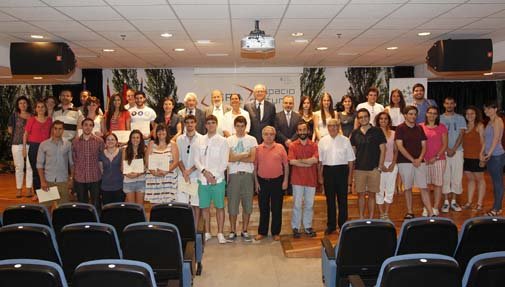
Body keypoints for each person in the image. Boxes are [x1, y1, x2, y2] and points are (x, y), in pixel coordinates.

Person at [193, 115, 229, 243]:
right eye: (208, 123)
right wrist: (204, 172)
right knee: (205, 208)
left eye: (213, 122)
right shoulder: (199, 140)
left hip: (217, 181)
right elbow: (196, 160)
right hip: (202, 179)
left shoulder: (223, 141)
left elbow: (224, 162)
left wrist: (214, 176)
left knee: (220, 207)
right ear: (205, 125)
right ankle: (207, 232)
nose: (211, 125)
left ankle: (220, 233)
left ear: (216, 124)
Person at [318, 119, 354, 234]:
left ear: (338, 127)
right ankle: (331, 226)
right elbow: (320, 161)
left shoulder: (345, 140)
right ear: (327, 127)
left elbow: (351, 161)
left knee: (342, 200)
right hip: (328, 171)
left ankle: (343, 225)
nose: (333, 128)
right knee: (330, 201)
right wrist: (320, 176)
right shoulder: (322, 141)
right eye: (330, 126)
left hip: (342, 171)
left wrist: (349, 179)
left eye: (335, 126)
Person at [254, 126, 289, 241]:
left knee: (276, 208)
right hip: (262, 182)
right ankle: (262, 232)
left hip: (277, 181)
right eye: (266, 134)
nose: (269, 136)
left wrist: (285, 181)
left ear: (275, 135)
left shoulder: (280, 147)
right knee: (263, 208)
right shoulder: (258, 148)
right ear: (262, 135)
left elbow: (286, 166)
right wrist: (256, 183)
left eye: (271, 134)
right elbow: (255, 167)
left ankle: (275, 232)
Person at [351, 108, 386, 219]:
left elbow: (383, 149)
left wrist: (380, 167)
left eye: (365, 116)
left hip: (374, 169)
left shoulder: (377, 131)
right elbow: (353, 152)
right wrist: (352, 169)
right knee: (360, 195)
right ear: (358, 119)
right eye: (360, 117)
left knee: (372, 195)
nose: (363, 119)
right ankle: (361, 217)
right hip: (359, 169)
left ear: (369, 117)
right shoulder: (355, 133)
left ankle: (370, 218)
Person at [226, 116, 257, 242]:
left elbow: (252, 159)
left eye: (242, 126)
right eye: (238, 126)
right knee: (233, 205)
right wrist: (245, 154)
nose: (240, 128)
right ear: (235, 126)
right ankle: (233, 231)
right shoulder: (229, 140)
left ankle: (245, 230)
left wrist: (236, 157)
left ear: (246, 126)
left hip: (247, 175)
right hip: (234, 175)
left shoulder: (252, 139)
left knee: (247, 204)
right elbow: (229, 158)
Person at [395, 106, 428, 219]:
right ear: (405, 115)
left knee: (423, 187)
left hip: (420, 161)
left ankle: (430, 211)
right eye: (410, 114)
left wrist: (419, 158)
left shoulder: (420, 128)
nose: (413, 116)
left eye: (415, 114)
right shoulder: (400, 128)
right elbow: (400, 146)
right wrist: (412, 159)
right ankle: (410, 211)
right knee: (408, 188)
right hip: (405, 162)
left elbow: (424, 145)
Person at [288, 121, 318, 238]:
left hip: (311, 179)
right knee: (297, 204)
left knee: (309, 204)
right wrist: (307, 162)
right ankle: (295, 227)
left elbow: (315, 160)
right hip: (297, 180)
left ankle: (307, 227)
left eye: (304, 130)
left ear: (308, 131)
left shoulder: (314, 145)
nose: (302, 132)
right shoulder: (293, 145)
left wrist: (299, 161)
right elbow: (291, 161)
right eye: (300, 130)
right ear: (297, 132)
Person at [37, 120, 74, 206]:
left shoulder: (68, 144)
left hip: (63, 181)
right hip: (48, 181)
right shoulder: (43, 144)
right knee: (46, 209)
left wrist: (71, 179)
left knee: (63, 209)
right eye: (55, 128)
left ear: (63, 130)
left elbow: (72, 163)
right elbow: (39, 165)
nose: (58, 131)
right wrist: (42, 181)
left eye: (60, 129)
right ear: (52, 129)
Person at [440, 96, 466, 213]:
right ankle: (446, 202)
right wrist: (447, 149)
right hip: (443, 151)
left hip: (458, 151)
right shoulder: (439, 119)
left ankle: (454, 201)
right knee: (445, 177)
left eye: (451, 103)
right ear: (444, 105)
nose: (449, 105)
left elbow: (461, 134)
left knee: (457, 176)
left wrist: (454, 149)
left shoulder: (460, 118)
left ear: (455, 104)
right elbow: (438, 136)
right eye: (447, 103)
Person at [420, 106, 448, 217]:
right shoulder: (420, 127)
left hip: (438, 160)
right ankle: (427, 207)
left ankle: (435, 207)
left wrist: (435, 157)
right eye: (430, 113)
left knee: (437, 185)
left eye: (434, 113)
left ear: (437, 115)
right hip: (424, 161)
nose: (432, 115)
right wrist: (422, 157)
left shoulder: (442, 127)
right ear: (426, 114)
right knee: (424, 185)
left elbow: (445, 144)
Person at [72, 118, 104, 212]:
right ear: (82, 126)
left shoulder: (99, 141)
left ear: (93, 127)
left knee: (96, 203)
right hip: (80, 178)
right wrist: (73, 177)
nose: (88, 127)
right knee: (82, 205)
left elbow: (102, 158)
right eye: (85, 124)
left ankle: (98, 224)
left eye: (90, 125)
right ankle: (84, 222)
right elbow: (74, 160)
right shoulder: (75, 142)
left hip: (95, 177)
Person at [176, 115, 202, 228]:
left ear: (195, 123)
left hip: (196, 175)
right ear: (184, 124)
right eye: (187, 122)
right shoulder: (179, 139)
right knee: (182, 205)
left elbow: (201, 159)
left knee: (196, 204)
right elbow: (178, 158)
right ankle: (184, 229)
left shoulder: (201, 139)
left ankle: (195, 229)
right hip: (182, 176)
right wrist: (184, 172)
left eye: (192, 122)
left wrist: (190, 171)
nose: (190, 124)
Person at [145, 124, 179, 204]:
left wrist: (166, 171)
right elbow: (147, 161)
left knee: (168, 206)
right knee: (155, 207)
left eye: (163, 130)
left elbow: (176, 162)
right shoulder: (151, 144)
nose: (161, 132)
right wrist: (154, 172)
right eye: (158, 131)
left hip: (168, 179)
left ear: (167, 132)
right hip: (153, 179)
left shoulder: (173, 144)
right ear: (156, 133)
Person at [23, 100, 52, 196]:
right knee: (36, 171)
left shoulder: (49, 120)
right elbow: (25, 134)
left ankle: (47, 192)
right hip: (34, 147)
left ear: (45, 108)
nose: (40, 109)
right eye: (38, 107)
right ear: (35, 109)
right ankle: (37, 193)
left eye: (42, 107)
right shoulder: (31, 119)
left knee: (46, 170)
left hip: (47, 147)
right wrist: (24, 148)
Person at [482, 101, 505, 216]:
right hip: (491, 155)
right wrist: (483, 152)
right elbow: (486, 140)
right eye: (485, 109)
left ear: (495, 109)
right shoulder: (490, 121)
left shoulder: (498, 121)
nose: (486, 111)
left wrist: (489, 154)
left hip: (497, 156)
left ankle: (495, 209)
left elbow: (496, 139)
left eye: (489, 108)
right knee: (495, 183)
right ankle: (498, 207)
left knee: (498, 183)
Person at [462, 106, 486, 212]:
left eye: (472, 113)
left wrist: (482, 156)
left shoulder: (479, 126)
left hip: (477, 157)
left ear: (476, 114)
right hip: (466, 157)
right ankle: (469, 202)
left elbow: (484, 142)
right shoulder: (464, 126)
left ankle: (479, 203)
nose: (470, 116)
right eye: (467, 114)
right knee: (470, 180)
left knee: (480, 180)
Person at [8, 96, 33, 198]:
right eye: (20, 103)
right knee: (19, 167)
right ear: (18, 105)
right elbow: (10, 129)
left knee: (30, 167)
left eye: (24, 103)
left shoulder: (32, 116)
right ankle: (19, 189)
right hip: (16, 145)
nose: (23, 105)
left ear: (28, 104)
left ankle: (28, 189)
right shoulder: (14, 116)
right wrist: (19, 135)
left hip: (30, 144)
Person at [375, 112, 398, 219]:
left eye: (385, 119)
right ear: (378, 121)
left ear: (388, 120)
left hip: (391, 165)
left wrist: (393, 164)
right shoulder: (374, 133)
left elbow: (396, 150)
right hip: (379, 165)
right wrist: (380, 165)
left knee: (390, 190)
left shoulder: (394, 133)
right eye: (381, 119)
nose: (383, 121)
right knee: (379, 190)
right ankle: (381, 213)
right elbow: (373, 151)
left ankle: (386, 213)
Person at [99, 132, 124, 205]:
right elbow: (101, 171)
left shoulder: (122, 152)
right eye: (108, 139)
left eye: (112, 139)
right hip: (105, 186)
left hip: (119, 186)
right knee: (107, 209)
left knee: (118, 208)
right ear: (105, 142)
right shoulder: (101, 154)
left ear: (116, 141)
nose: (110, 141)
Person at [122, 129, 147, 204]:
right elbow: (122, 167)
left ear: (140, 139)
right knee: (132, 208)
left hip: (141, 181)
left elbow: (146, 167)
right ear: (130, 139)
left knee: (140, 207)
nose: (135, 139)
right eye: (133, 137)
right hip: (128, 181)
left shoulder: (144, 150)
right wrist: (127, 174)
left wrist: (137, 174)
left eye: (137, 137)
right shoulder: (125, 150)